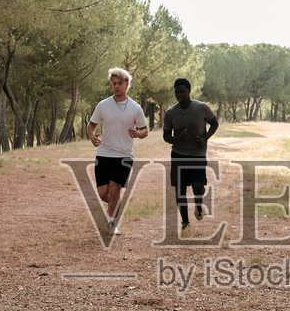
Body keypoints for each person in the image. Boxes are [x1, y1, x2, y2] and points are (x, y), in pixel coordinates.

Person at [86, 67, 148, 234]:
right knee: (103, 193)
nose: (117, 87)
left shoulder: (135, 108)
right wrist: (91, 136)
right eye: (114, 84)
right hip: (104, 153)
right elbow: (91, 125)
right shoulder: (103, 105)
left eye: (120, 83)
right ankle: (114, 205)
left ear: (126, 84)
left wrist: (138, 133)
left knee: (115, 189)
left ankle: (112, 222)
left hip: (124, 155)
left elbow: (145, 131)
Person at [161, 77, 219, 232]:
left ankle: (198, 204)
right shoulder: (171, 113)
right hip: (178, 154)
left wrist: (205, 138)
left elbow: (215, 123)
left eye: (182, 92)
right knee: (180, 190)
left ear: (189, 91)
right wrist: (176, 139)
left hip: (197, 154)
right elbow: (166, 136)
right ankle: (185, 221)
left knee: (198, 186)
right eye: (177, 92)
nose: (179, 95)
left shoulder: (201, 108)